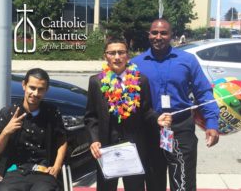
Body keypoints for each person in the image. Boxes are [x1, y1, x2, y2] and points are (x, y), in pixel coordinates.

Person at [131, 18, 220, 191]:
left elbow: (203, 92)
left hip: (181, 128)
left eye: (164, 33)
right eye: (154, 32)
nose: (159, 36)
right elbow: (132, 101)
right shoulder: (136, 64)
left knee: (183, 181)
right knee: (154, 181)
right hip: (151, 129)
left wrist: (212, 123)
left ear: (172, 35)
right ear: (148, 34)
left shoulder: (187, 60)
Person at [84, 37, 172, 191]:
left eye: (121, 52)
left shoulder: (140, 80)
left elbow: (146, 111)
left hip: (134, 147)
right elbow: (91, 116)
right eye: (112, 53)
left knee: (135, 187)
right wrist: (94, 139)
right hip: (107, 146)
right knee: (106, 187)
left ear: (127, 55)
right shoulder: (96, 82)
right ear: (105, 56)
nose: (117, 57)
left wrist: (157, 118)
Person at [0, 68, 67, 191]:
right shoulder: (8, 113)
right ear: (24, 86)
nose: (36, 93)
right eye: (32, 87)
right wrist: (6, 132)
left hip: (43, 172)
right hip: (14, 171)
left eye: (41, 89)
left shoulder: (52, 112)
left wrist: (57, 166)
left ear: (46, 90)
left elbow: (62, 141)